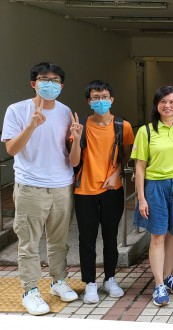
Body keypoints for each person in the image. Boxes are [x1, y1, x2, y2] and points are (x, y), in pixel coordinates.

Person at [1, 62, 79, 315]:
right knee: (29, 242)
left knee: (58, 241)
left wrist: (77, 140)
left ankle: (58, 281)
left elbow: (71, 156)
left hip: (61, 185)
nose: (50, 84)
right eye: (44, 79)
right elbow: (11, 149)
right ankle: (30, 290)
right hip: (30, 185)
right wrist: (32, 125)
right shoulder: (17, 110)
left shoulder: (66, 111)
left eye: (55, 80)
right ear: (33, 83)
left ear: (62, 85)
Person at [132, 86, 173, 307]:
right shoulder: (146, 131)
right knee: (158, 235)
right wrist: (141, 198)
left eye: (171, 101)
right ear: (156, 104)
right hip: (156, 187)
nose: (167, 106)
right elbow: (140, 167)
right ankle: (159, 284)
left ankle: (168, 275)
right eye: (163, 102)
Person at [69, 80, 135, 304]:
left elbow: (126, 156)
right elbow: (74, 161)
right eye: (95, 97)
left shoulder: (122, 126)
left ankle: (110, 278)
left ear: (112, 99)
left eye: (104, 96)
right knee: (87, 238)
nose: (100, 101)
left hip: (111, 189)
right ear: (89, 101)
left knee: (110, 236)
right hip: (84, 190)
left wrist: (118, 172)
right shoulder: (81, 126)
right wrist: (76, 138)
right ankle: (89, 283)